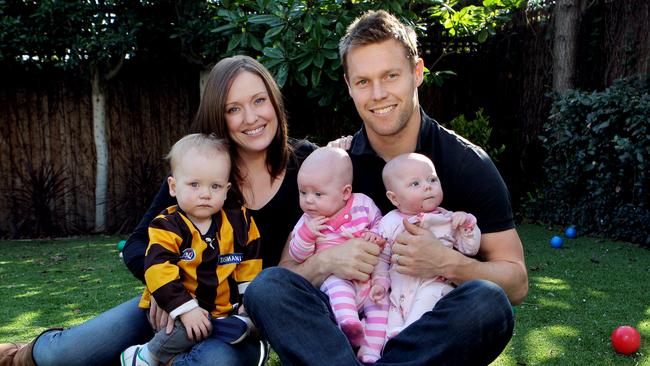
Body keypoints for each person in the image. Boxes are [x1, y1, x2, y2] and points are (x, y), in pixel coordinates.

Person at [243, 9, 528, 365]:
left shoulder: (466, 164)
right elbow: (287, 271)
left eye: (390, 75)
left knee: (489, 303)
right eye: (363, 81)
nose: (378, 94)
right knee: (267, 287)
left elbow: (516, 282)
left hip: (423, 326)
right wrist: (328, 261)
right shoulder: (337, 164)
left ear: (417, 72)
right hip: (344, 324)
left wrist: (448, 262)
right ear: (349, 86)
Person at [0, 55, 317, 366]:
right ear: (218, 117)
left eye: (259, 101)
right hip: (175, 303)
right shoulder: (199, 171)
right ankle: (19, 355)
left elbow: (348, 182)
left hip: (239, 321)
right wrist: (172, 297)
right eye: (233, 108)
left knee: (213, 361)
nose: (250, 117)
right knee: (63, 356)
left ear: (274, 102)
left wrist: (344, 150)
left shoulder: (307, 163)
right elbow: (137, 245)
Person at [119, 133, 262, 366]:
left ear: (226, 190)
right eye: (194, 184)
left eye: (215, 186)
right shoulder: (166, 225)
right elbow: (157, 270)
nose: (205, 194)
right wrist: (184, 309)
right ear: (173, 187)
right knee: (186, 329)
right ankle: (145, 355)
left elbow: (250, 262)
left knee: (257, 322)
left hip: (224, 308)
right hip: (177, 305)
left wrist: (247, 301)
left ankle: (230, 327)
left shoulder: (240, 221)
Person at [288, 146, 388, 362]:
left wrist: (374, 234)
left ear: (345, 193)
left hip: (369, 279)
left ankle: (371, 351)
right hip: (336, 278)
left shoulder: (363, 204)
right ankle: (349, 324)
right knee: (336, 286)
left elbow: (380, 224)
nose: (308, 201)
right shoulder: (307, 221)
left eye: (317, 194)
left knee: (381, 305)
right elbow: (296, 254)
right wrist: (307, 236)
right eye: (302, 193)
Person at [376, 152, 480, 341]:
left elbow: (470, 248)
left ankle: (408, 337)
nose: (427, 186)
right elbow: (381, 257)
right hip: (396, 295)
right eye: (415, 184)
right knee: (389, 330)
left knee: (425, 308)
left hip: (434, 286)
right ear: (394, 198)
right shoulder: (389, 222)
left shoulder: (447, 219)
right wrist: (380, 281)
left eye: (432, 179)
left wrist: (467, 225)